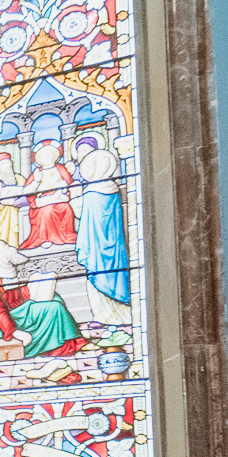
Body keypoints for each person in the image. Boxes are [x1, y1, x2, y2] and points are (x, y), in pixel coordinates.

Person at [0, 242, 87, 358]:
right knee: (54, 307)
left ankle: (67, 342)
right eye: (7, 248)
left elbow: (17, 294)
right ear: (1, 257)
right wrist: (14, 332)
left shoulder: (8, 271)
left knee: (55, 297)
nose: (12, 249)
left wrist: (35, 286)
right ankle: (63, 346)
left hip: (21, 309)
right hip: (7, 319)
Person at [71, 133, 131, 325]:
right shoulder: (112, 188)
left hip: (96, 250)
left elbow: (83, 216)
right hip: (114, 249)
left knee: (96, 280)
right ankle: (119, 316)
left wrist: (74, 199)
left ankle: (104, 318)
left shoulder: (91, 193)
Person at [18, 141, 76, 250]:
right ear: (38, 160)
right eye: (42, 156)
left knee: (66, 208)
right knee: (47, 211)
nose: (45, 158)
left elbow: (67, 183)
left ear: (55, 155)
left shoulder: (61, 169)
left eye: (48, 154)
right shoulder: (37, 173)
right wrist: (36, 181)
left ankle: (64, 236)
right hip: (42, 202)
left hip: (59, 199)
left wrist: (61, 190)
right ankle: (45, 238)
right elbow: (27, 191)